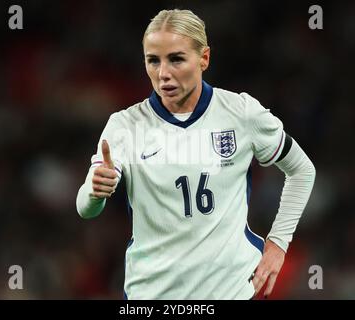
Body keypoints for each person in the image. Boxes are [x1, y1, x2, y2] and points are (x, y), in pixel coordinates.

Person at [76, 9, 316, 300]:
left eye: (176, 59)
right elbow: (86, 208)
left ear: (204, 58)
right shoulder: (125, 125)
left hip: (232, 292)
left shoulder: (240, 113)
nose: (163, 73)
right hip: (152, 296)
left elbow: (302, 170)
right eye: (153, 60)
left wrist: (278, 243)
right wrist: (94, 192)